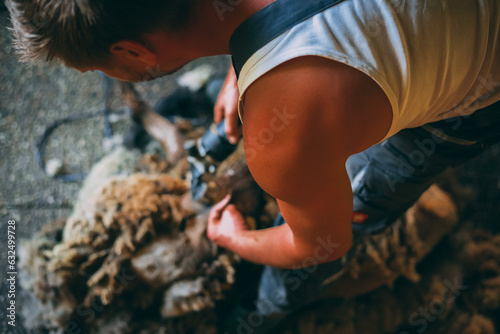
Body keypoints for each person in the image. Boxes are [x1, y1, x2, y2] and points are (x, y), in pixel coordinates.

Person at [7, 0, 500, 332]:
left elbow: (323, 246)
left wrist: (234, 239)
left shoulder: (282, 133)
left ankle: (264, 311)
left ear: (132, 52)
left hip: (480, 91)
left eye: (98, 67)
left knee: (355, 206)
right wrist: (242, 70)